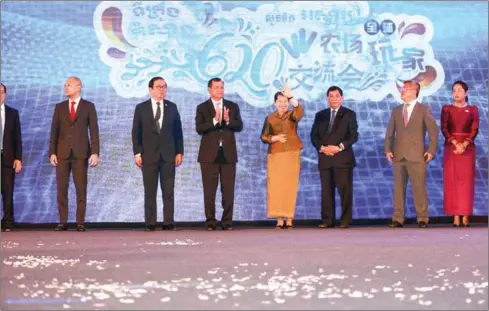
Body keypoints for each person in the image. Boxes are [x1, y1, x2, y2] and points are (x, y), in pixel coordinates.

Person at [132, 77, 184, 231]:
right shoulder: (141, 108)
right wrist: (137, 153)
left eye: (164, 87)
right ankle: (150, 222)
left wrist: (179, 152)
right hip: (148, 156)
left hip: (168, 155)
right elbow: (136, 133)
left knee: (168, 191)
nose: (162, 89)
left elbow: (178, 132)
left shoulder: (172, 107)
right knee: (150, 191)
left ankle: (168, 222)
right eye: (159, 86)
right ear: (150, 89)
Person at [384, 80, 438, 228]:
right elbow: (390, 132)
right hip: (398, 155)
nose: (401, 91)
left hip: (417, 155)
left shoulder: (424, 109)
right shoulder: (396, 110)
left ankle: (422, 218)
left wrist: (431, 151)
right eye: (402, 89)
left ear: (414, 92)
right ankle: (397, 218)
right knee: (399, 189)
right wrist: (388, 149)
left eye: (404, 89)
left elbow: (433, 132)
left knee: (419, 188)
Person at [49, 77, 100, 232]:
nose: (66, 87)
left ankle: (80, 222)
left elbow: (94, 131)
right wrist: (52, 152)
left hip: (80, 153)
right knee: (61, 189)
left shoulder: (88, 107)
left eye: (69, 85)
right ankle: (63, 221)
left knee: (81, 189)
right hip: (62, 153)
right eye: (65, 85)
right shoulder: (59, 107)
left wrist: (95, 153)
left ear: (79, 87)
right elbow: (54, 132)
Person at [195, 78, 243, 231]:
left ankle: (227, 222)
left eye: (222, 87)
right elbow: (199, 128)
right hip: (209, 156)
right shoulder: (202, 107)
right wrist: (215, 120)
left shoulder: (232, 106)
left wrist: (228, 121)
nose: (220, 90)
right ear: (209, 89)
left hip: (228, 154)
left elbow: (239, 126)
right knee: (209, 192)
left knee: (228, 191)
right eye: (216, 87)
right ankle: (210, 222)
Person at [310, 86, 358, 229]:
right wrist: (322, 147)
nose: (334, 98)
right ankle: (327, 220)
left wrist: (339, 147)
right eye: (331, 96)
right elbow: (314, 135)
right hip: (325, 158)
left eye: (337, 96)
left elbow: (353, 135)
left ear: (342, 98)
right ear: (327, 98)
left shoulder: (350, 114)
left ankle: (345, 220)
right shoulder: (320, 115)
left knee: (345, 192)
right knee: (326, 192)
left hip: (342, 158)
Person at [260, 86, 304, 229]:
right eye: (280, 101)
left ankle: (289, 217)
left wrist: (291, 97)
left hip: (292, 153)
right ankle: (279, 218)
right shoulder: (270, 118)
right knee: (277, 186)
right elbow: (264, 136)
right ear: (275, 103)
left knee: (290, 185)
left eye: (285, 101)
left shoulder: (292, 115)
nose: (283, 104)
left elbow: (300, 111)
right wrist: (275, 138)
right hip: (276, 153)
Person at [441, 81, 479, 227]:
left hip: (468, 149)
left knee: (466, 183)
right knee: (453, 182)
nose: (456, 93)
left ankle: (465, 215)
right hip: (451, 148)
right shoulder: (447, 109)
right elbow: (444, 128)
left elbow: (475, 128)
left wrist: (464, 144)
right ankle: (455, 215)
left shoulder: (473, 109)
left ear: (466, 93)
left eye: (460, 90)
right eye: (454, 90)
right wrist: (455, 143)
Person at [1, 83, 23, 232]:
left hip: (7, 158)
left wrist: (18, 158)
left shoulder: (12, 113)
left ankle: (8, 222)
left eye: (1, 92)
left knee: (8, 192)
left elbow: (17, 138)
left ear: (5, 94)